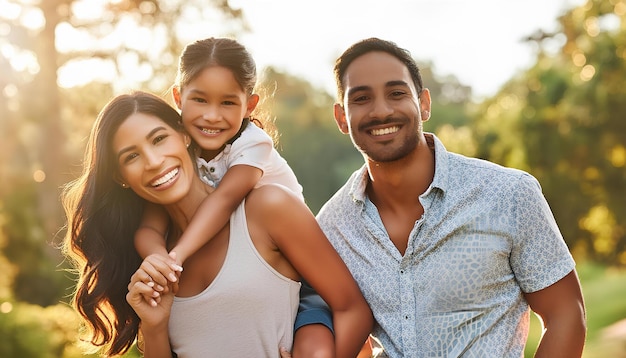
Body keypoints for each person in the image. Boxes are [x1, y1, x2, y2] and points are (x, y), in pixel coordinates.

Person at [316, 37, 587, 357]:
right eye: (361, 98)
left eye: (396, 93)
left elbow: (566, 314)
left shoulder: (508, 195)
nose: (382, 110)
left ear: (424, 103)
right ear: (341, 118)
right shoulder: (331, 227)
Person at [62, 91, 372, 357]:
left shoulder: (266, 209)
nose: (154, 161)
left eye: (159, 139)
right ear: (121, 178)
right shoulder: (147, 265)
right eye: (131, 157)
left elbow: (353, 310)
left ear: (184, 135)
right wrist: (154, 327)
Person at [132, 37, 337, 355]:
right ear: (178, 97)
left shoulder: (252, 143)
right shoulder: (180, 148)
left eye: (227, 103)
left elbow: (225, 199)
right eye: (199, 100)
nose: (212, 116)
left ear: (250, 106)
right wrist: (158, 258)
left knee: (316, 349)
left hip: (301, 269)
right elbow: (148, 226)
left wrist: (178, 256)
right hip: (251, 261)